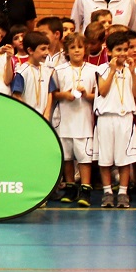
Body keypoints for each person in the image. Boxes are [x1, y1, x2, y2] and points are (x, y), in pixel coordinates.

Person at [95, 29, 136, 208]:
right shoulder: (102, 69)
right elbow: (103, 90)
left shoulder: (131, 70)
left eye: (125, 49)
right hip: (107, 118)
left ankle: (123, 192)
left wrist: (133, 72)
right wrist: (113, 71)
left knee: (125, 159)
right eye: (118, 50)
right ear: (109, 51)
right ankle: (107, 191)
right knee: (105, 158)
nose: (123, 53)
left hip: (125, 119)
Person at [52, 32, 99, 206]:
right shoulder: (59, 70)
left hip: (84, 122)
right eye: (73, 47)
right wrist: (64, 95)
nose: (77, 51)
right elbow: (53, 93)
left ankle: (85, 189)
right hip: (64, 121)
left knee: (84, 158)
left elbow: (99, 96)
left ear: (85, 49)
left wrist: (87, 95)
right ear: (66, 51)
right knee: (67, 157)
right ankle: (70, 187)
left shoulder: (94, 70)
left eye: (80, 47)